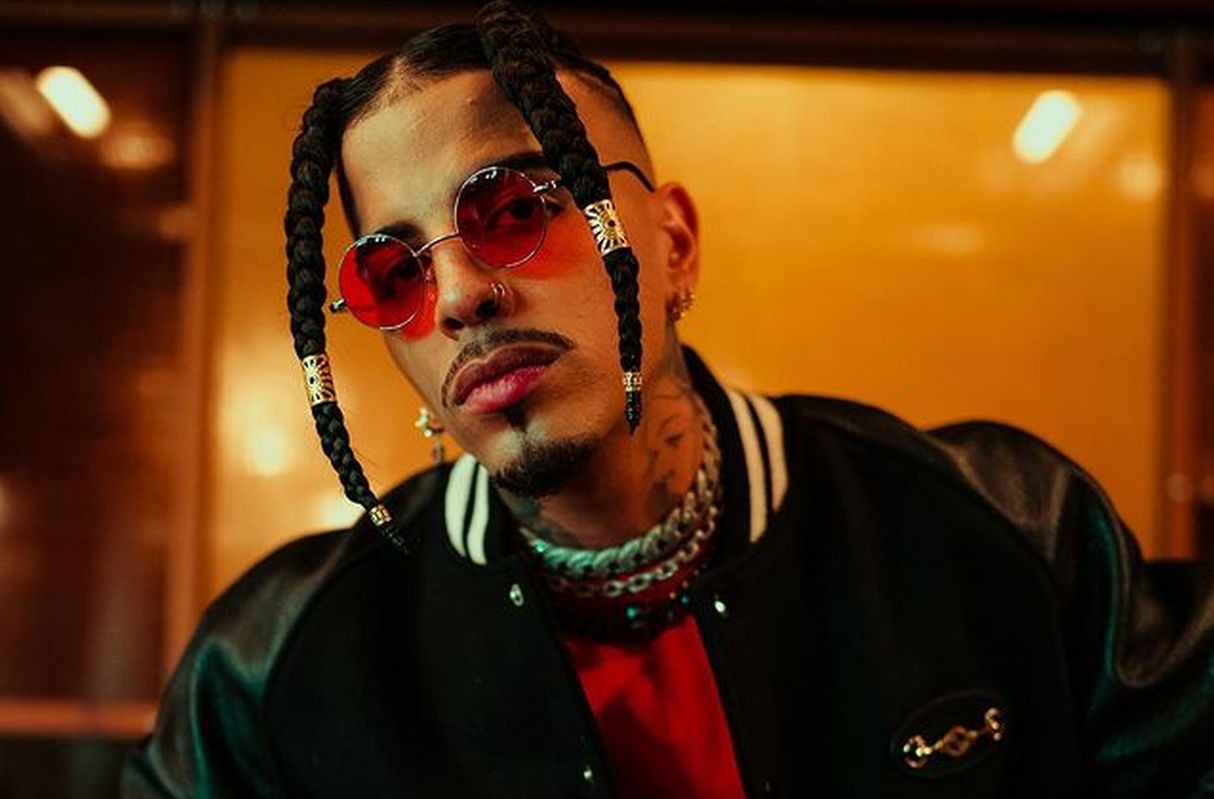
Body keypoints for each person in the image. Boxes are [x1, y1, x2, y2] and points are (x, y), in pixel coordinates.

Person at [121, 2, 1214, 797]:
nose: (456, 297)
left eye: (512, 210)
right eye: (392, 274)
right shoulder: (273, 669)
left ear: (673, 242)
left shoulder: (1003, 532)